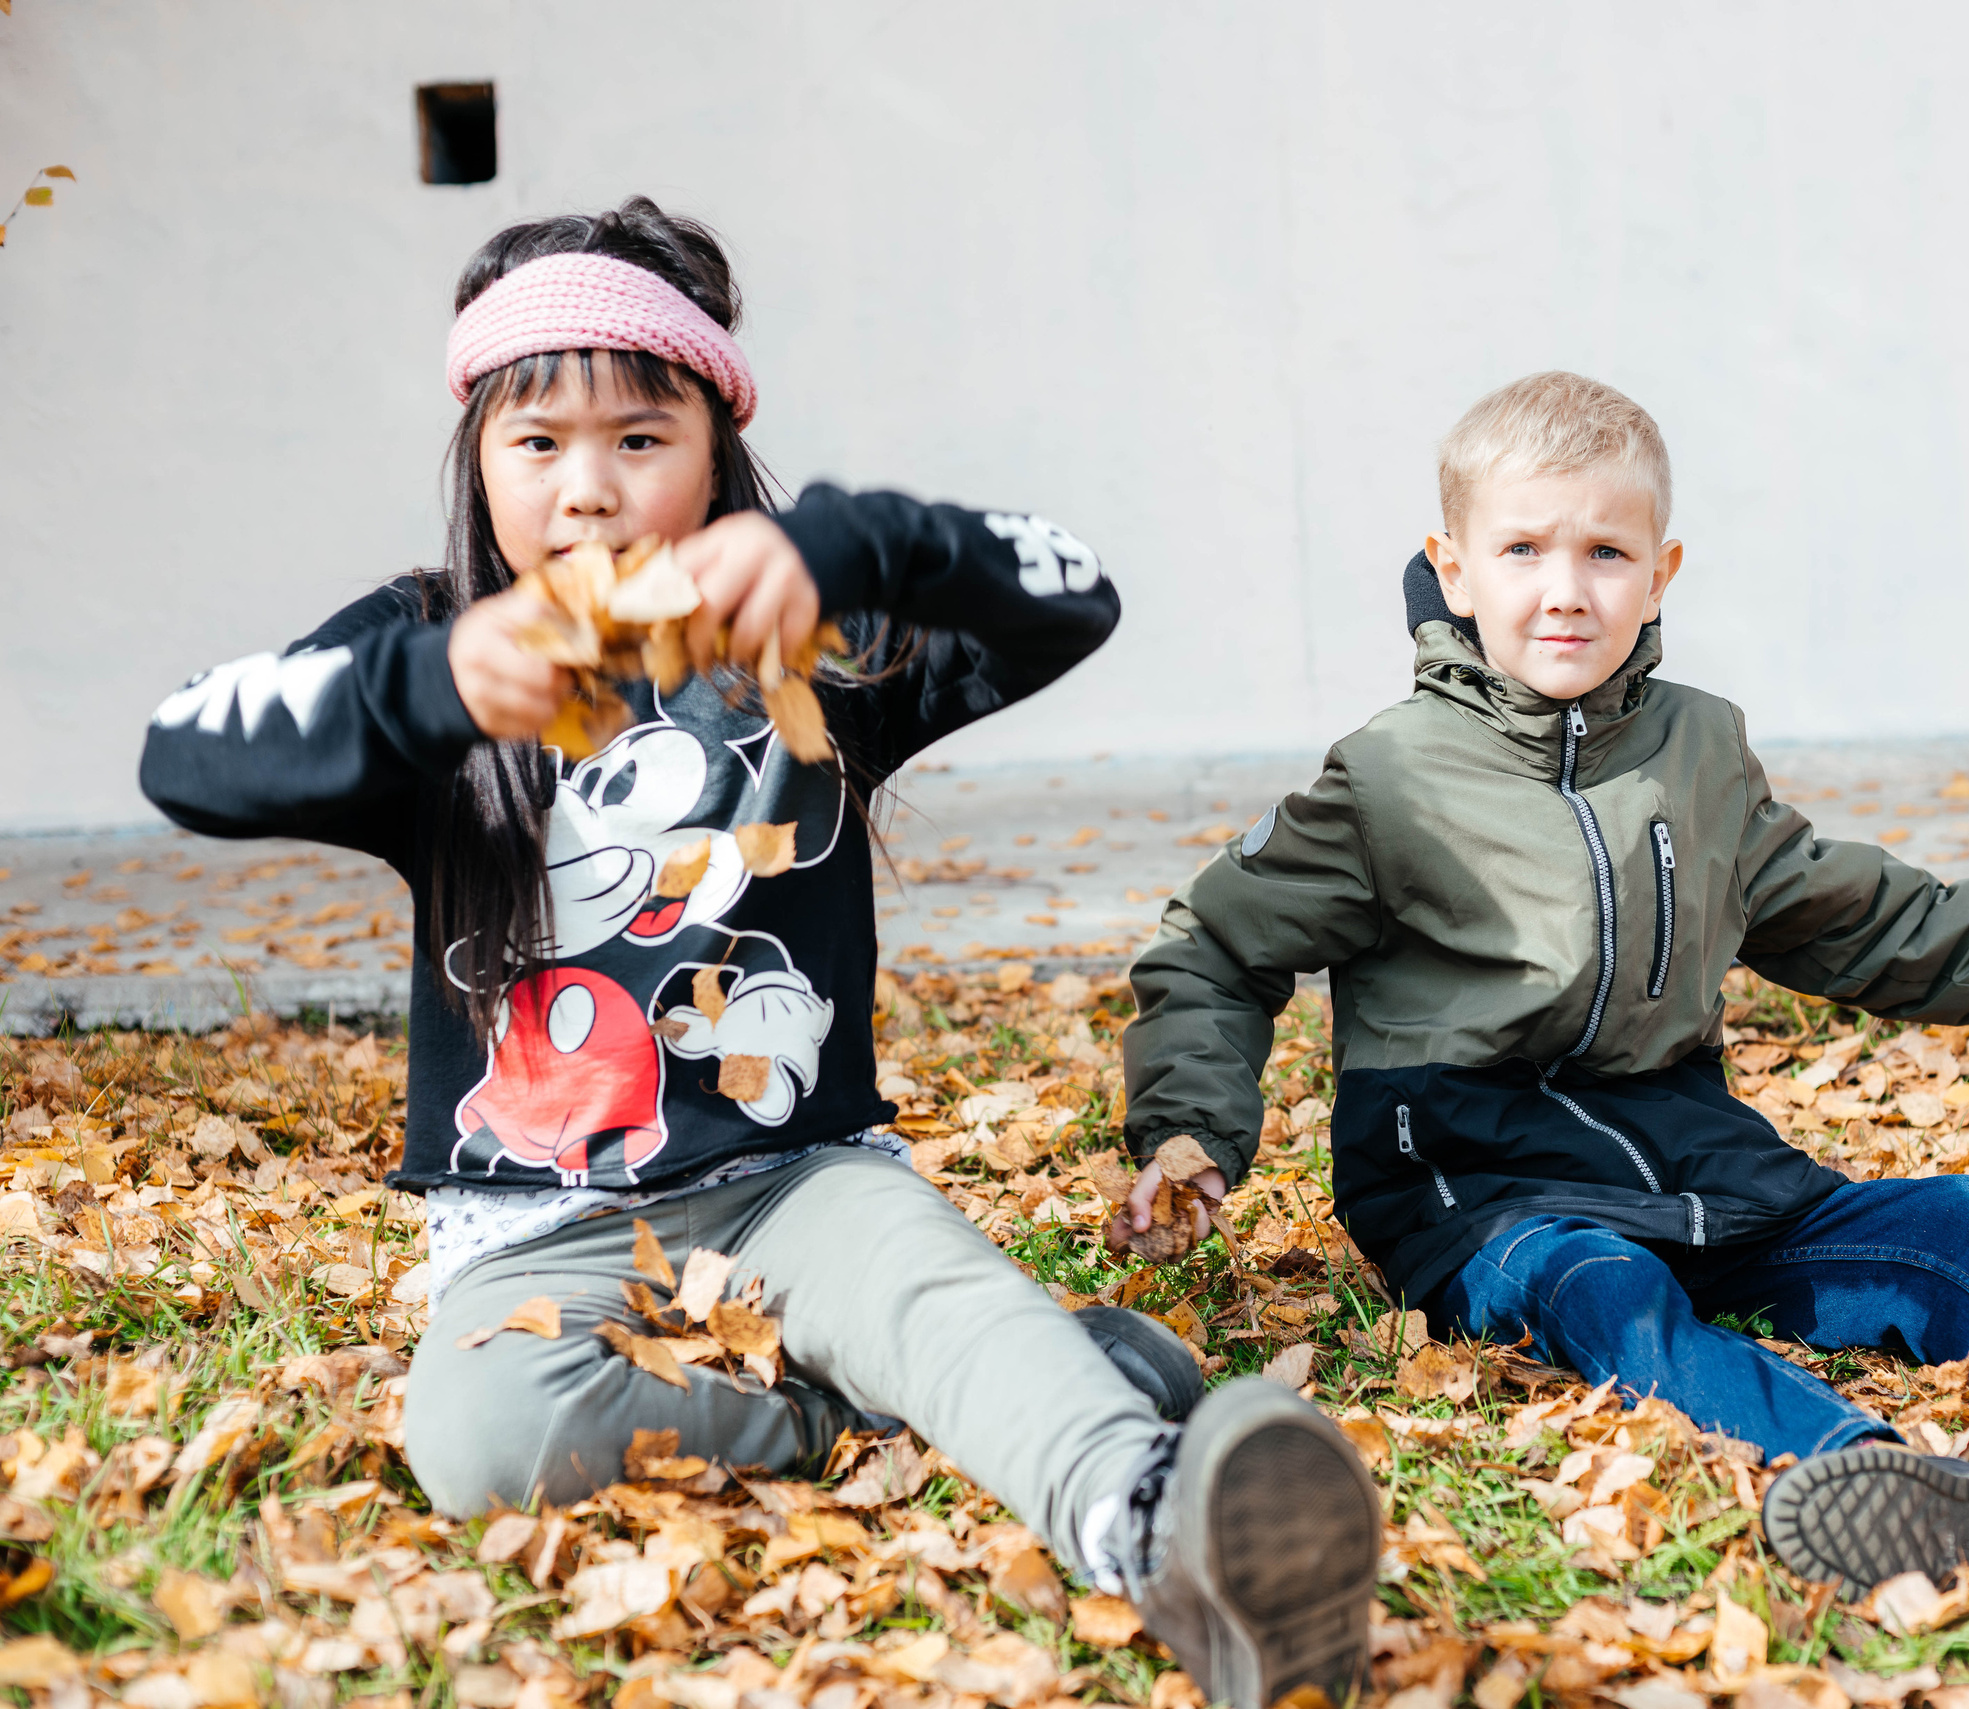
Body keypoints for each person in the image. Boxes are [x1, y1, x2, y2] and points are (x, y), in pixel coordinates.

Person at [138, 198, 1380, 1708]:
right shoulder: (429, 650)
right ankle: (941, 1393)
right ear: (477, 460)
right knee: (479, 1440)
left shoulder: (818, 639)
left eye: (640, 439)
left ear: (716, 448)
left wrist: (852, 545)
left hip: (800, 1177)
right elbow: (183, 750)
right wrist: (434, 682)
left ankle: (1167, 1528)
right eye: (538, 445)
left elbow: (1072, 591)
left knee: (916, 1285)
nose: (588, 492)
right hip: (540, 1227)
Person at [1115, 370, 1969, 1594]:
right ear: (1454, 566)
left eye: (1606, 549)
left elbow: (1844, 912)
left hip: (1693, 1152)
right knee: (1603, 1285)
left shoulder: (1699, 751)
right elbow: (1218, 942)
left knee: (1966, 1222)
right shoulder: (1393, 776)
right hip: (1474, 1183)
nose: (1566, 586)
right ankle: (1856, 1473)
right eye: (1525, 547)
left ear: (1661, 571)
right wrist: (1191, 1126)